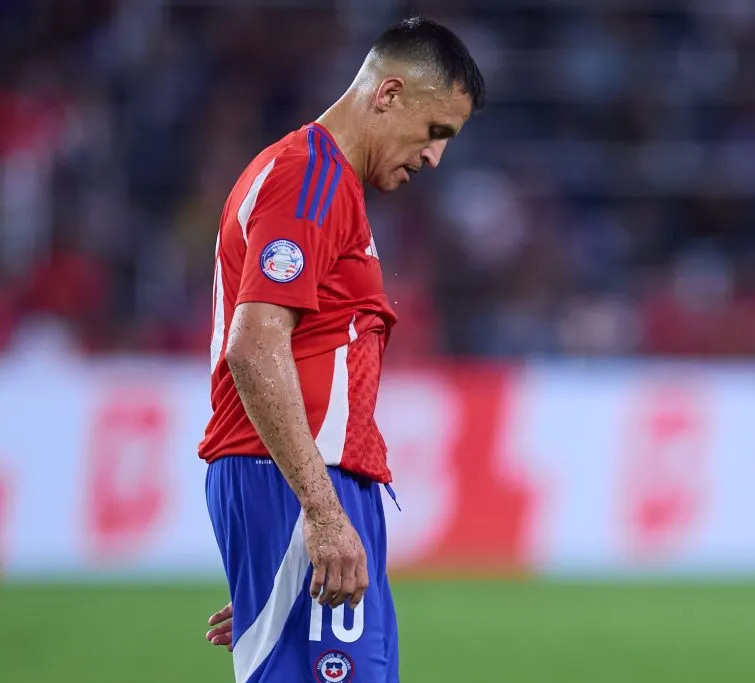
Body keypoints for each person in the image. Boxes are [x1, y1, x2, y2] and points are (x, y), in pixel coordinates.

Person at [198, 16, 485, 683]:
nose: (434, 156)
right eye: (435, 131)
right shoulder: (309, 179)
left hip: (296, 486)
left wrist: (275, 557)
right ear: (387, 94)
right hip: (304, 481)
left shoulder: (320, 182)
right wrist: (319, 516)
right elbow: (254, 344)